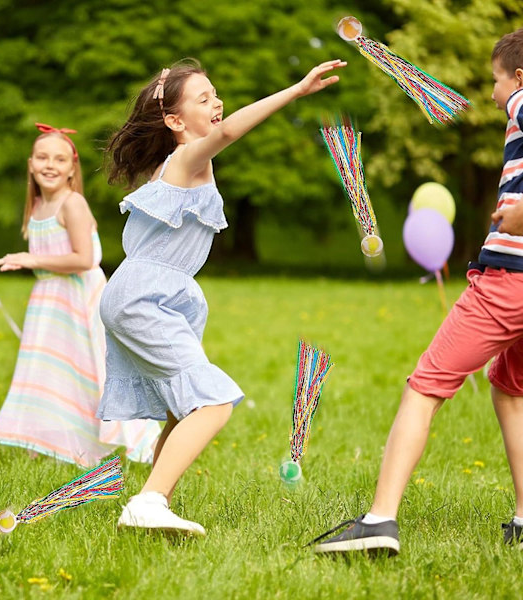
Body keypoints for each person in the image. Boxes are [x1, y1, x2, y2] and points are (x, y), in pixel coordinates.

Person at [313, 21, 523, 556]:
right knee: (511, 386)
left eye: (496, 82)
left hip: (514, 283)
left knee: (425, 386)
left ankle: (379, 520)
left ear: (520, 76)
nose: (495, 93)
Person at [98, 57, 346, 535]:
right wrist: (295, 90)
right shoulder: (188, 157)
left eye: (216, 95)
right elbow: (229, 132)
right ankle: (147, 501)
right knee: (212, 401)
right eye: (203, 99)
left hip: (152, 295)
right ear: (174, 121)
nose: (217, 104)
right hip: (144, 296)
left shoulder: (188, 163)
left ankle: (154, 500)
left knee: (183, 404)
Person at [0, 123, 161, 468]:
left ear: (72, 168)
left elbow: (85, 259)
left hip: (80, 299)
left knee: (93, 369)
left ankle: (134, 438)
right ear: (30, 164)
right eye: (42, 157)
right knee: (50, 369)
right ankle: (51, 439)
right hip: (50, 301)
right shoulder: (37, 206)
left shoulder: (73, 204)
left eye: (59, 159)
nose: (50, 165)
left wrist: (31, 259)